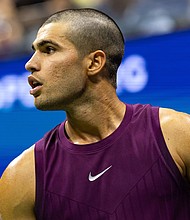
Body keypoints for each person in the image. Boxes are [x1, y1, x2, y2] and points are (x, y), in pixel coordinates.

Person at [0, 8, 190, 220]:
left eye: (49, 49)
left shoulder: (178, 134)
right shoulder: (21, 178)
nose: (30, 64)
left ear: (94, 62)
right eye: (34, 51)